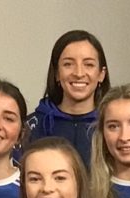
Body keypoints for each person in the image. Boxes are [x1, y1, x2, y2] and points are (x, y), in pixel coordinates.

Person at [25, 29, 111, 167]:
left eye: (88, 64)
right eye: (68, 64)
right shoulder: (32, 126)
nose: (79, 73)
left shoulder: (112, 125)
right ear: (57, 73)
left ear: (101, 74)